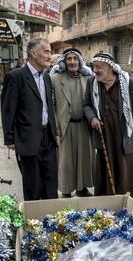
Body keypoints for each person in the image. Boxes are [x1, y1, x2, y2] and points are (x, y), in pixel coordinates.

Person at [1, 38, 58, 201]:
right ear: (34, 53)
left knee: (51, 182)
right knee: (33, 184)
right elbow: (8, 110)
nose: (50, 56)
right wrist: (9, 138)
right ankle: (34, 221)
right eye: (46, 51)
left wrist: (55, 132)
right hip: (28, 138)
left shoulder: (47, 77)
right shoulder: (16, 77)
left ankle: (52, 220)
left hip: (49, 137)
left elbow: (48, 107)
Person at [83, 53, 133, 205]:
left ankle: (132, 202)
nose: (95, 70)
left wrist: (132, 131)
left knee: (127, 171)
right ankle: (107, 204)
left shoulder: (129, 83)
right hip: (104, 135)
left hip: (124, 135)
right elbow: (87, 105)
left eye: (99, 67)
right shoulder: (92, 83)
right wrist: (92, 118)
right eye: (94, 66)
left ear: (110, 68)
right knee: (104, 170)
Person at [50, 48, 95, 198]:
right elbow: (52, 106)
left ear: (80, 61)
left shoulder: (88, 78)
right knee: (66, 161)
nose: (72, 62)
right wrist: (56, 128)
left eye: (75, 59)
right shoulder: (55, 78)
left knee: (84, 158)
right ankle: (66, 190)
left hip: (84, 125)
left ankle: (82, 188)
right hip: (64, 126)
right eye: (69, 59)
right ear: (64, 61)